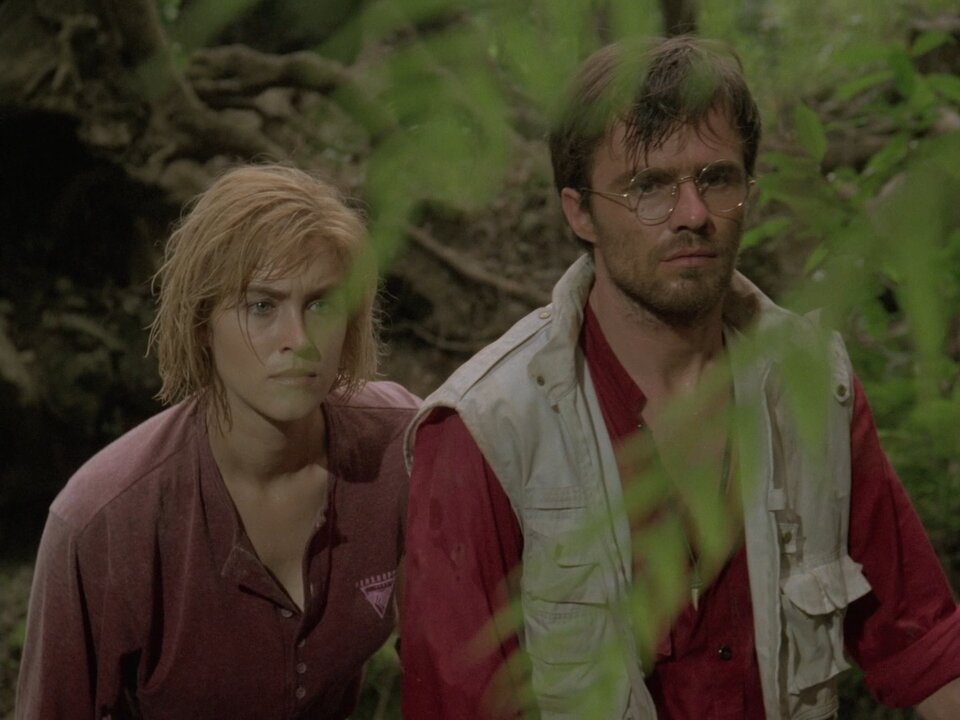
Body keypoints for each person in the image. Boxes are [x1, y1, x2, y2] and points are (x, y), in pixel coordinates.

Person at [400, 36, 960, 719]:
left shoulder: (810, 381)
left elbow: (923, 644)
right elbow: (455, 704)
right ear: (579, 211)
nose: (693, 214)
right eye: (649, 186)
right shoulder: (487, 429)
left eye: (716, 179)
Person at [16, 164, 419, 719]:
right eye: (262, 306)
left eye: (320, 304)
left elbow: (460, 659)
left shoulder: (402, 447)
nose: (297, 340)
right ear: (202, 322)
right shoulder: (103, 521)